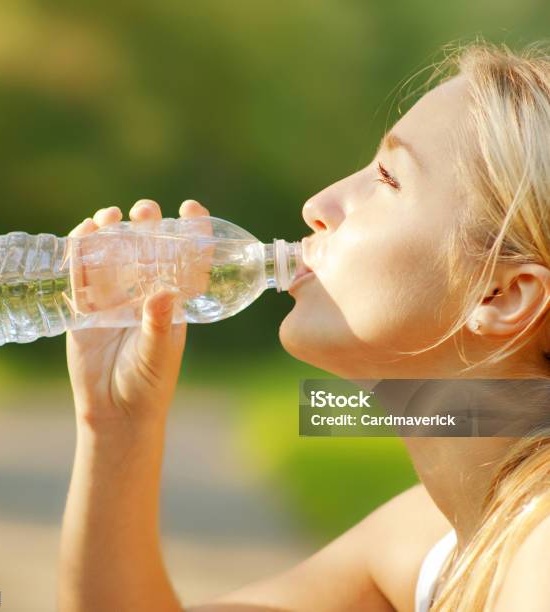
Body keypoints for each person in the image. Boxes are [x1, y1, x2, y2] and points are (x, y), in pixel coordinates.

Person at [57, 39, 550, 611]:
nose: (319, 204)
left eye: (388, 179)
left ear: (503, 294)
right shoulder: (431, 540)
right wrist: (118, 424)